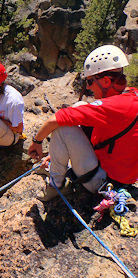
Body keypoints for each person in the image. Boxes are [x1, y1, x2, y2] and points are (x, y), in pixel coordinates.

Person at [28, 45, 138, 201]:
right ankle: (58, 162)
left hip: (104, 183)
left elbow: (55, 120)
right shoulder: (131, 95)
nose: (87, 86)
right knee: (80, 107)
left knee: (63, 129)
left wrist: (36, 142)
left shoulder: (111, 107)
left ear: (106, 81)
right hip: (118, 173)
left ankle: (56, 185)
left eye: (90, 81)